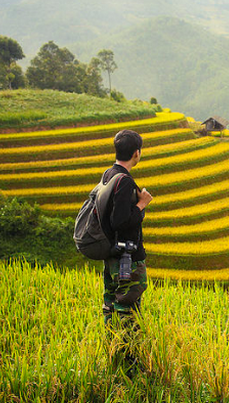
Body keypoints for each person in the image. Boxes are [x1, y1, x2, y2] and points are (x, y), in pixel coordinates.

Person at [101, 129, 153, 373]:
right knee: (128, 310)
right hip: (127, 260)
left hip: (112, 256)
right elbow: (121, 221)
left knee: (111, 306)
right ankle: (130, 366)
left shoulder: (108, 175)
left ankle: (114, 359)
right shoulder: (124, 181)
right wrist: (142, 204)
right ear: (137, 154)